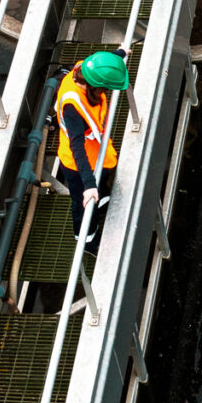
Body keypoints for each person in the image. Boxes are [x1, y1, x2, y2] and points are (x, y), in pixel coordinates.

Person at [52, 49, 128, 254]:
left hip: (98, 155)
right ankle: (87, 241)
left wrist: (119, 53)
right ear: (95, 86)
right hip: (79, 167)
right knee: (83, 207)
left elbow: (100, 62)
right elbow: (77, 148)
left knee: (101, 185)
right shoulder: (73, 107)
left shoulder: (85, 69)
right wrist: (88, 185)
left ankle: (101, 199)